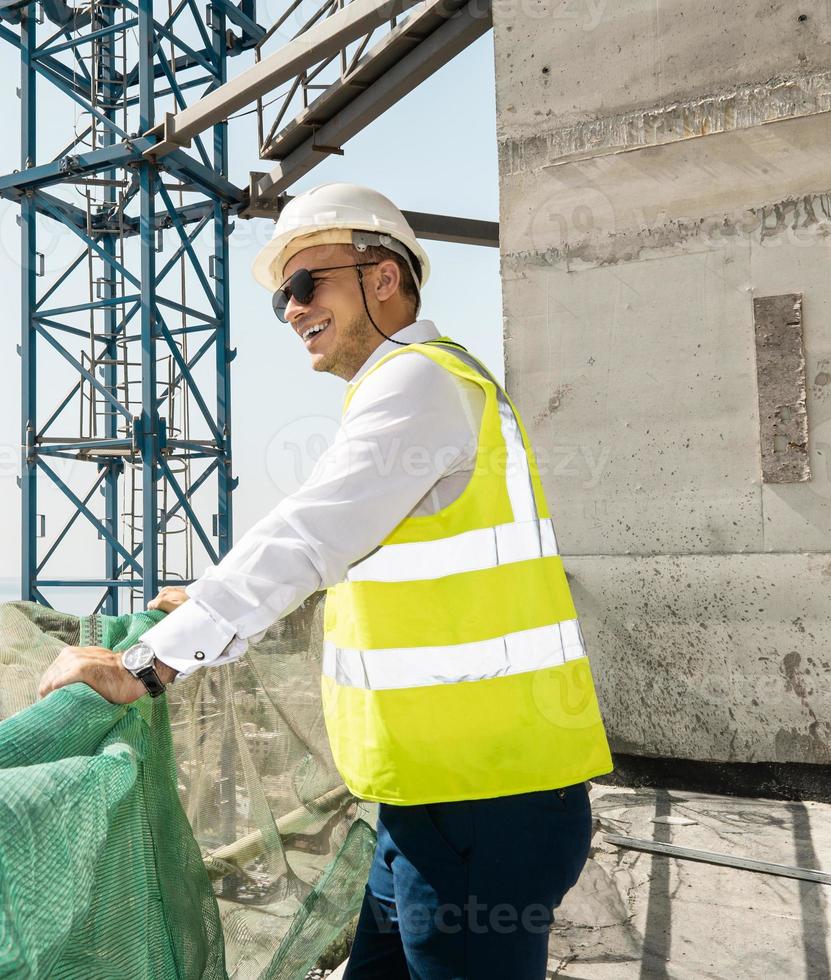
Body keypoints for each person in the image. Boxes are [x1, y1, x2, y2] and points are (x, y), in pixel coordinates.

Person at [36, 182, 613, 978]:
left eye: (309, 283)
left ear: (384, 276)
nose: (292, 308)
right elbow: (354, 545)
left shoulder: (417, 381)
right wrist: (204, 598)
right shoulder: (419, 387)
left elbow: (309, 532)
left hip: (483, 805)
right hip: (435, 797)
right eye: (282, 296)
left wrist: (148, 660)